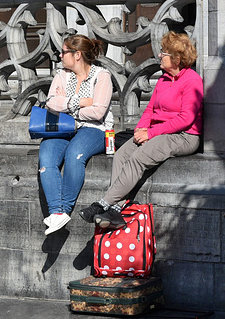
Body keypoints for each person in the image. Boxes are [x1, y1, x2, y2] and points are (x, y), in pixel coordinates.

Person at [79, 31, 203, 228]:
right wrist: (141, 130)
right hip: (159, 131)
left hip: (184, 136)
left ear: (177, 58)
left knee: (139, 157)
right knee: (122, 154)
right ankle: (115, 212)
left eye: (164, 53)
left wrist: (152, 133)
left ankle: (103, 204)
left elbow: (186, 119)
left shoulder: (192, 80)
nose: (160, 56)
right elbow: (150, 110)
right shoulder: (163, 80)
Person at [39, 34, 114, 235]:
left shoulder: (102, 76)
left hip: (95, 129)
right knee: (46, 157)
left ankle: (63, 209)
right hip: (63, 127)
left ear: (77, 54)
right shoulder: (62, 75)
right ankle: (57, 213)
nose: (60, 56)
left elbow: (98, 112)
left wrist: (67, 106)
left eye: (64, 52)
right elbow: (51, 102)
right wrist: (80, 102)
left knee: (74, 154)